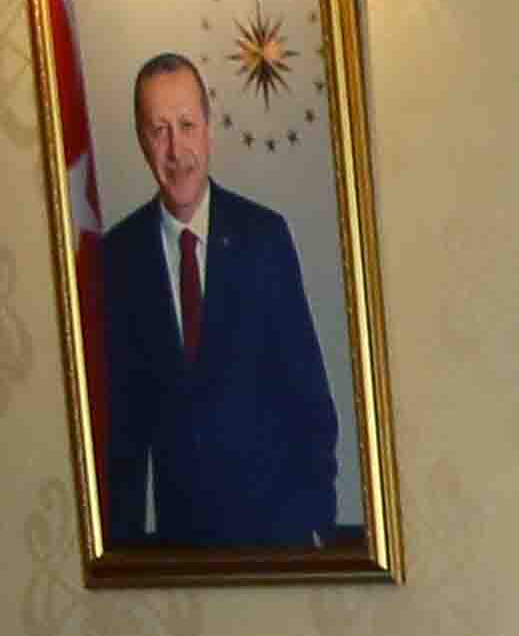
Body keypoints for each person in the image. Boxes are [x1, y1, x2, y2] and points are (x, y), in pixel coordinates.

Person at [86, 49, 343, 550]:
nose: (175, 149)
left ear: (208, 129)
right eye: (159, 130)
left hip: (278, 539)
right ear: (141, 140)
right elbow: (123, 432)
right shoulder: (118, 257)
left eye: (186, 125)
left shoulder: (264, 238)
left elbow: (309, 397)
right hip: (182, 553)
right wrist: (122, 559)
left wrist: (317, 525)